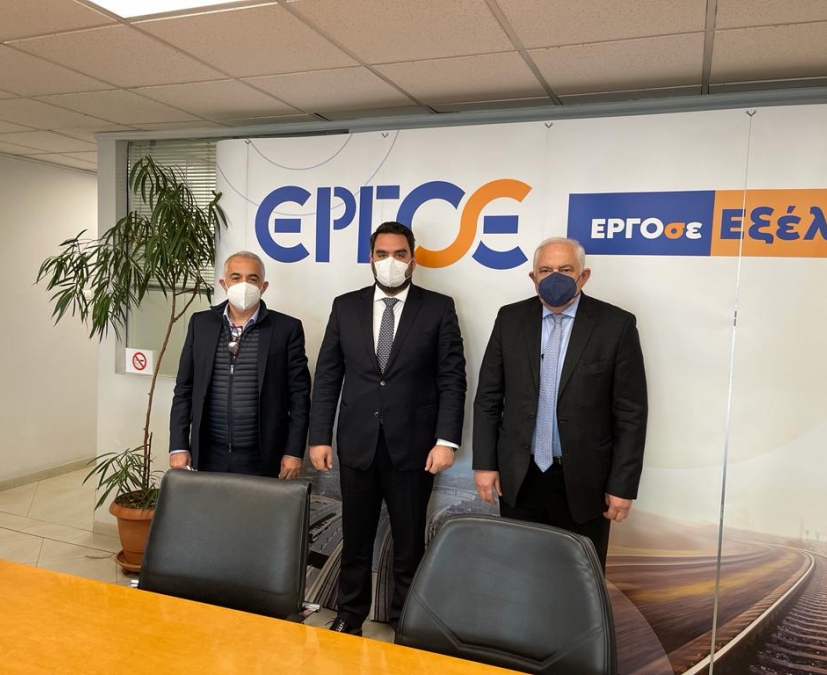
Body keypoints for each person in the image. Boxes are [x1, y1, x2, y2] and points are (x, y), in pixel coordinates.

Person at [309, 221, 466, 636]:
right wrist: (319, 436)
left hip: (414, 448)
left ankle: (405, 623)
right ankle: (349, 615)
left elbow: (452, 379)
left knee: (409, 545)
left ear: (413, 260)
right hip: (357, 443)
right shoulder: (346, 306)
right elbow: (328, 376)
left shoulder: (438, 308)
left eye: (399, 254)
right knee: (355, 540)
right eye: (382, 254)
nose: (390, 261)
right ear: (370, 259)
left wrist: (446, 440)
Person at [473, 237, 647, 569]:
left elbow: (631, 414)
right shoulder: (510, 319)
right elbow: (488, 398)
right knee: (519, 574)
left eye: (565, 270)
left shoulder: (616, 325)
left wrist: (622, 485)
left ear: (583, 276)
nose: (555, 277)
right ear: (533, 277)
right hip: (520, 477)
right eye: (546, 270)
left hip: (585, 482)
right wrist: (485, 464)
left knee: (579, 578)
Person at [168, 251, 311, 478]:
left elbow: (299, 396)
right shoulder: (200, 324)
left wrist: (293, 451)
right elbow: (184, 389)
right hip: (208, 454)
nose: (244, 284)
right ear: (224, 283)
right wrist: (178, 445)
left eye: (252, 278)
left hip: (263, 456)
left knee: (259, 504)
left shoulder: (287, 328)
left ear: (263, 286)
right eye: (236, 277)